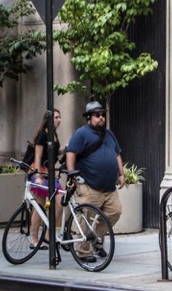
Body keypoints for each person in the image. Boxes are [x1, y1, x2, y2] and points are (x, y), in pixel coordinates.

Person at [65, 101, 124, 265]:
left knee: (115, 212)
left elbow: (117, 153)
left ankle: (94, 237)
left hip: (109, 187)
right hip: (89, 184)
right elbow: (71, 153)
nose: (101, 118)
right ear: (89, 117)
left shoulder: (109, 134)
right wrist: (71, 174)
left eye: (103, 115)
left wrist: (121, 173)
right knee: (87, 217)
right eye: (97, 115)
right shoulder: (81, 134)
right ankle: (84, 252)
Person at [28, 108, 64, 249]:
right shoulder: (43, 135)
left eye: (59, 117)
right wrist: (37, 175)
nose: (59, 120)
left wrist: (64, 150)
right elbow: (38, 156)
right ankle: (35, 239)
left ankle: (49, 233)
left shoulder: (53, 134)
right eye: (56, 117)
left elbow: (52, 153)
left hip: (49, 172)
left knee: (60, 201)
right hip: (41, 172)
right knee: (40, 206)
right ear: (48, 120)